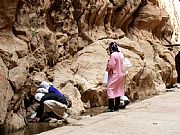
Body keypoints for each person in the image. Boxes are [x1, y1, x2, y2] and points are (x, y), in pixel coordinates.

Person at [106, 42, 127, 112]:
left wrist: (107, 66)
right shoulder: (119, 54)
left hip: (114, 74)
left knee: (110, 89)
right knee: (118, 89)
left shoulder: (113, 55)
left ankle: (111, 107)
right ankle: (116, 107)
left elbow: (111, 65)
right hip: (121, 74)